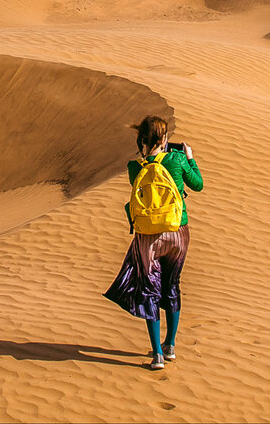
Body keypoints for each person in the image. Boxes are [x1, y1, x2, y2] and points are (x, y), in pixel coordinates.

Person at [103, 115, 204, 370]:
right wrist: (190, 157)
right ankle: (171, 346)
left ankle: (157, 353)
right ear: (164, 138)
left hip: (148, 235)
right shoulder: (177, 159)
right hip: (177, 231)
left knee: (150, 290)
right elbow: (198, 185)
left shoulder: (135, 167)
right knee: (172, 286)